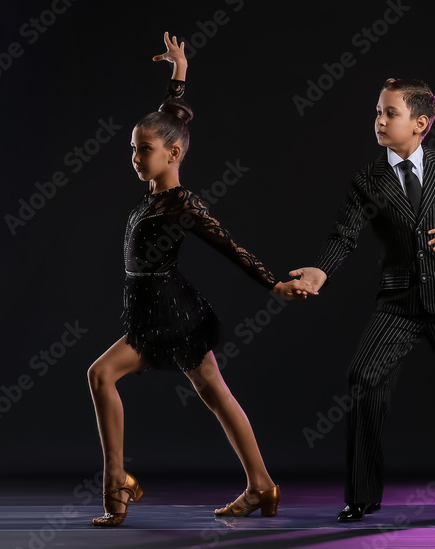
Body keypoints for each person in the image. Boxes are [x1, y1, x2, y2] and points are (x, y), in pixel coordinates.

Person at [87, 32, 312, 527]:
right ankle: (262, 485)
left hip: (168, 312)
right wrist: (180, 71)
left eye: (144, 150)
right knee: (214, 392)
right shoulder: (155, 188)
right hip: (161, 306)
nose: (135, 157)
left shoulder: (182, 204)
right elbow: (174, 116)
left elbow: (228, 245)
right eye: (132, 149)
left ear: (173, 155)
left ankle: (117, 485)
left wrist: (273, 283)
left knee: (102, 375)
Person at [288, 78, 435, 521]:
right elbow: (344, 234)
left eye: (389, 113)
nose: (379, 120)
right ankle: (361, 495)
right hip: (399, 301)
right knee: (363, 378)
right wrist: (321, 269)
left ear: (420, 124)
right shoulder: (368, 180)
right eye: (377, 112)